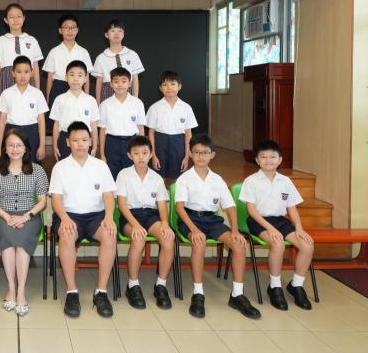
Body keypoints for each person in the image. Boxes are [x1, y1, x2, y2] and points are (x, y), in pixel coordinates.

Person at [175, 134, 261, 320]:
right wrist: (194, 230)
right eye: (197, 152)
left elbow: (230, 207)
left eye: (205, 152)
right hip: (190, 219)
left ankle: (237, 294)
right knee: (199, 243)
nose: (201, 156)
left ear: (212, 155)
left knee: (239, 244)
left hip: (212, 220)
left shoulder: (218, 180)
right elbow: (179, 208)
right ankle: (198, 293)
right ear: (190, 154)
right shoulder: (185, 178)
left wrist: (235, 230)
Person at [50, 121, 117, 318]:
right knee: (66, 235)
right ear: (67, 142)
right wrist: (64, 219)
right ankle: (72, 292)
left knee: (109, 235)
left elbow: (108, 196)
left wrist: (109, 217)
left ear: (91, 142)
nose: (80, 144)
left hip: (96, 216)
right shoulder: (60, 167)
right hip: (69, 215)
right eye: (75, 140)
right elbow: (56, 199)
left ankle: (101, 292)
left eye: (84, 140)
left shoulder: (101, 166)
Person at [240, 140, 314, 311]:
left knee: (307, 245)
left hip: (280, 221)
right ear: (257, 160)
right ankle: (275, 286)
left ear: (280, 160)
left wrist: (299, 227)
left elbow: (292, 207)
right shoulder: (251, 181)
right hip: (258, 221)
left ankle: (296, 285)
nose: (268, 160)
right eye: (263, 157)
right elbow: (251, 211)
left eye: (272, 157)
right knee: (278, 243)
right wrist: (270, 229)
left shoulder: (285, 181)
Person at [0, 129, 48, 316]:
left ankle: (21, 292)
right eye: (10, 145)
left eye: (19, 145)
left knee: (21, 244)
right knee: (7, 242)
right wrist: (7, 217)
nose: (15, 149)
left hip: (30, 216)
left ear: (26, 148)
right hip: (3, 215)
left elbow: (42, 201)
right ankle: (11, 288)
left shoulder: (37, 170)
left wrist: (26, 216)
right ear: (4, 148)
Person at [115, 136, 174, 310]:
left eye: (145, 153)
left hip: (150, 215)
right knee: (139, 238)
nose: (141, 157)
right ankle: (133, 285)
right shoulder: (123, 175)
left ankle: (161, 285)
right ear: (129, 155)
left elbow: (162, 206)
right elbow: (122, 205)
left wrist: (165, 223)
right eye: (136, 153)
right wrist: (135, 225)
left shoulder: (157, 178)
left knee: (168, 238)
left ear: (151, 154)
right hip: (130, 216)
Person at [0, 55, 49, 162]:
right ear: (13, 73)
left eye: (26, 71)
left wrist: (42, 145)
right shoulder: (6, 94)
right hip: (11, 131)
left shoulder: (37, 94)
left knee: (32, 164)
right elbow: (1, 121)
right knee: (11, 164)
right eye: (19, 72)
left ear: (32, 73)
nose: (22, 75)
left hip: (32, 132)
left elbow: (41, 120)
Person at [146, 70, 197, 179]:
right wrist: (153, 155)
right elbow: (151, 133)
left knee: (177, 177)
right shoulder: (154, 108)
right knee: (159, 177)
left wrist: (187, 156)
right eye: (165, 84)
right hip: (160, 145)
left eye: (173, 84)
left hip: (178, 145)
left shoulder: (186, 108)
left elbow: (188, 134)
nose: (169, 88)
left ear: (179, 86)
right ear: (160, 88)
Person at [0, 3, 44, 105]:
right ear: (6, 20)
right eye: (11, 17)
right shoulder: (0, 41)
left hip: (27, 78)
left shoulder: (32, 40)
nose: (15, 20)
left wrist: (38, 91)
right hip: (6, 78)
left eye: (19, 16)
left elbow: (35, 67)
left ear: (24, 18)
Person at [98, 67, 146, 179]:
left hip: (132, 142)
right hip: (111, 143)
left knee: (131, 174)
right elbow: (102, 130)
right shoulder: (105, 104)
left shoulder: (137, 103)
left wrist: (142, 150)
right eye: (116, 81)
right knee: (112, 174)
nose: (120, 84)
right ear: (111, 84)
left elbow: (141, 128)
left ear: (129, 84)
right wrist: (102, 154)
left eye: (124, 81)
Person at [49, 60, 100, 160]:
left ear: (85, 78)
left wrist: (94, 146)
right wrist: (54, 146)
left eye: (80, 75)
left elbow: (93, 125)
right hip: (65, 138)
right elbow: (56, 125)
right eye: (72, 75)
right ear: (66, 77)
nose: (75, 79)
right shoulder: (60, 99)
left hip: (85, 139)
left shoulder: (91, 100)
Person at [43, 14, 93, 104]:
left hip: (77, 87)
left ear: (77, 30)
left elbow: (87, 77)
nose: (70, 30)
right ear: (60, 30)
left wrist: (87, 97)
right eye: (66, 27)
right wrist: (48, 99)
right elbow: (50, 78)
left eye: (73, 27)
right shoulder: (54, 52)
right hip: (59, 87)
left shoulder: (83, 52)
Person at [92, 20, 144, 103]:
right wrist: (98, 103)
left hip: (127, 91)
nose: (116, 34)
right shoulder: (101, 57)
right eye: (113, 31)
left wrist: (136, 100)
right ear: (106, 35)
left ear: (124, 34)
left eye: (120, 31)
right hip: (108, 92)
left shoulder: (132, 54)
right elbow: (99, 82)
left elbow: (135, 79)